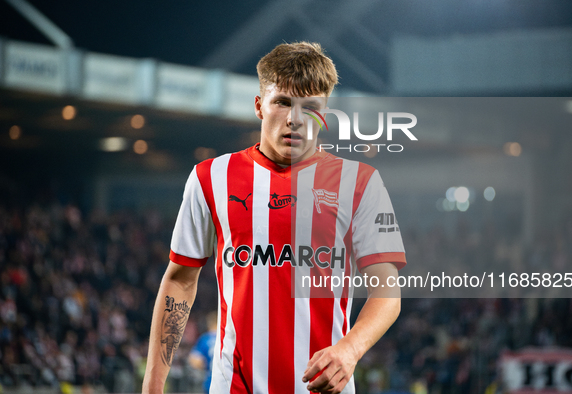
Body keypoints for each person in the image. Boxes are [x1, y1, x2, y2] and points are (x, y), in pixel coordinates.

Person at [142, 41, 405, 394]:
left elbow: (387, 291)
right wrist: (152, 387)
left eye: (310, 107)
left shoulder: (361, 183)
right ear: (259, 106)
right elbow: (180, 280)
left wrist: (349, 349)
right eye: (282, 102)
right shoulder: (210, 177)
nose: (295, 119)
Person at [188, 311, 217, 394]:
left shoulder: (205, 339)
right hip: (227, 383)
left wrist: (206, 365)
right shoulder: (225, 339)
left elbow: (194, 360)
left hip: (211, 382)